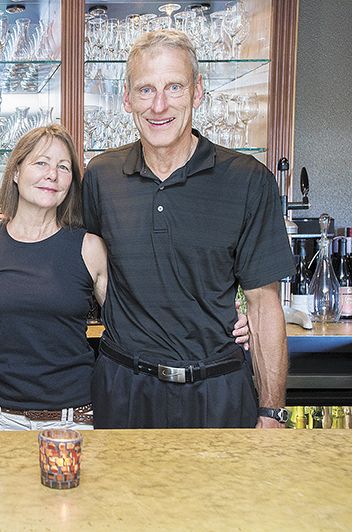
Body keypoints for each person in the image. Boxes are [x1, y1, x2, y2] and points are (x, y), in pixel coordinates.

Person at [83, 30, 294, 428]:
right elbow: (82, 268)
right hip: (123, 390)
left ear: (197, 92)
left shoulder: (248, 180)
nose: (158, 105)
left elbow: (264, 305)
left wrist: (271, 412)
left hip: (218, 392)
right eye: (145, 89)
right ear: (126, 99)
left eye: (174, 87)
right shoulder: (101, 176)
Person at [0, 124, 108, 431]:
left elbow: (127, 323)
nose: (52, 174)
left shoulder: (89, 248)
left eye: (63, 166)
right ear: (16, 172)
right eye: (41, 162)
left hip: (72, 420)